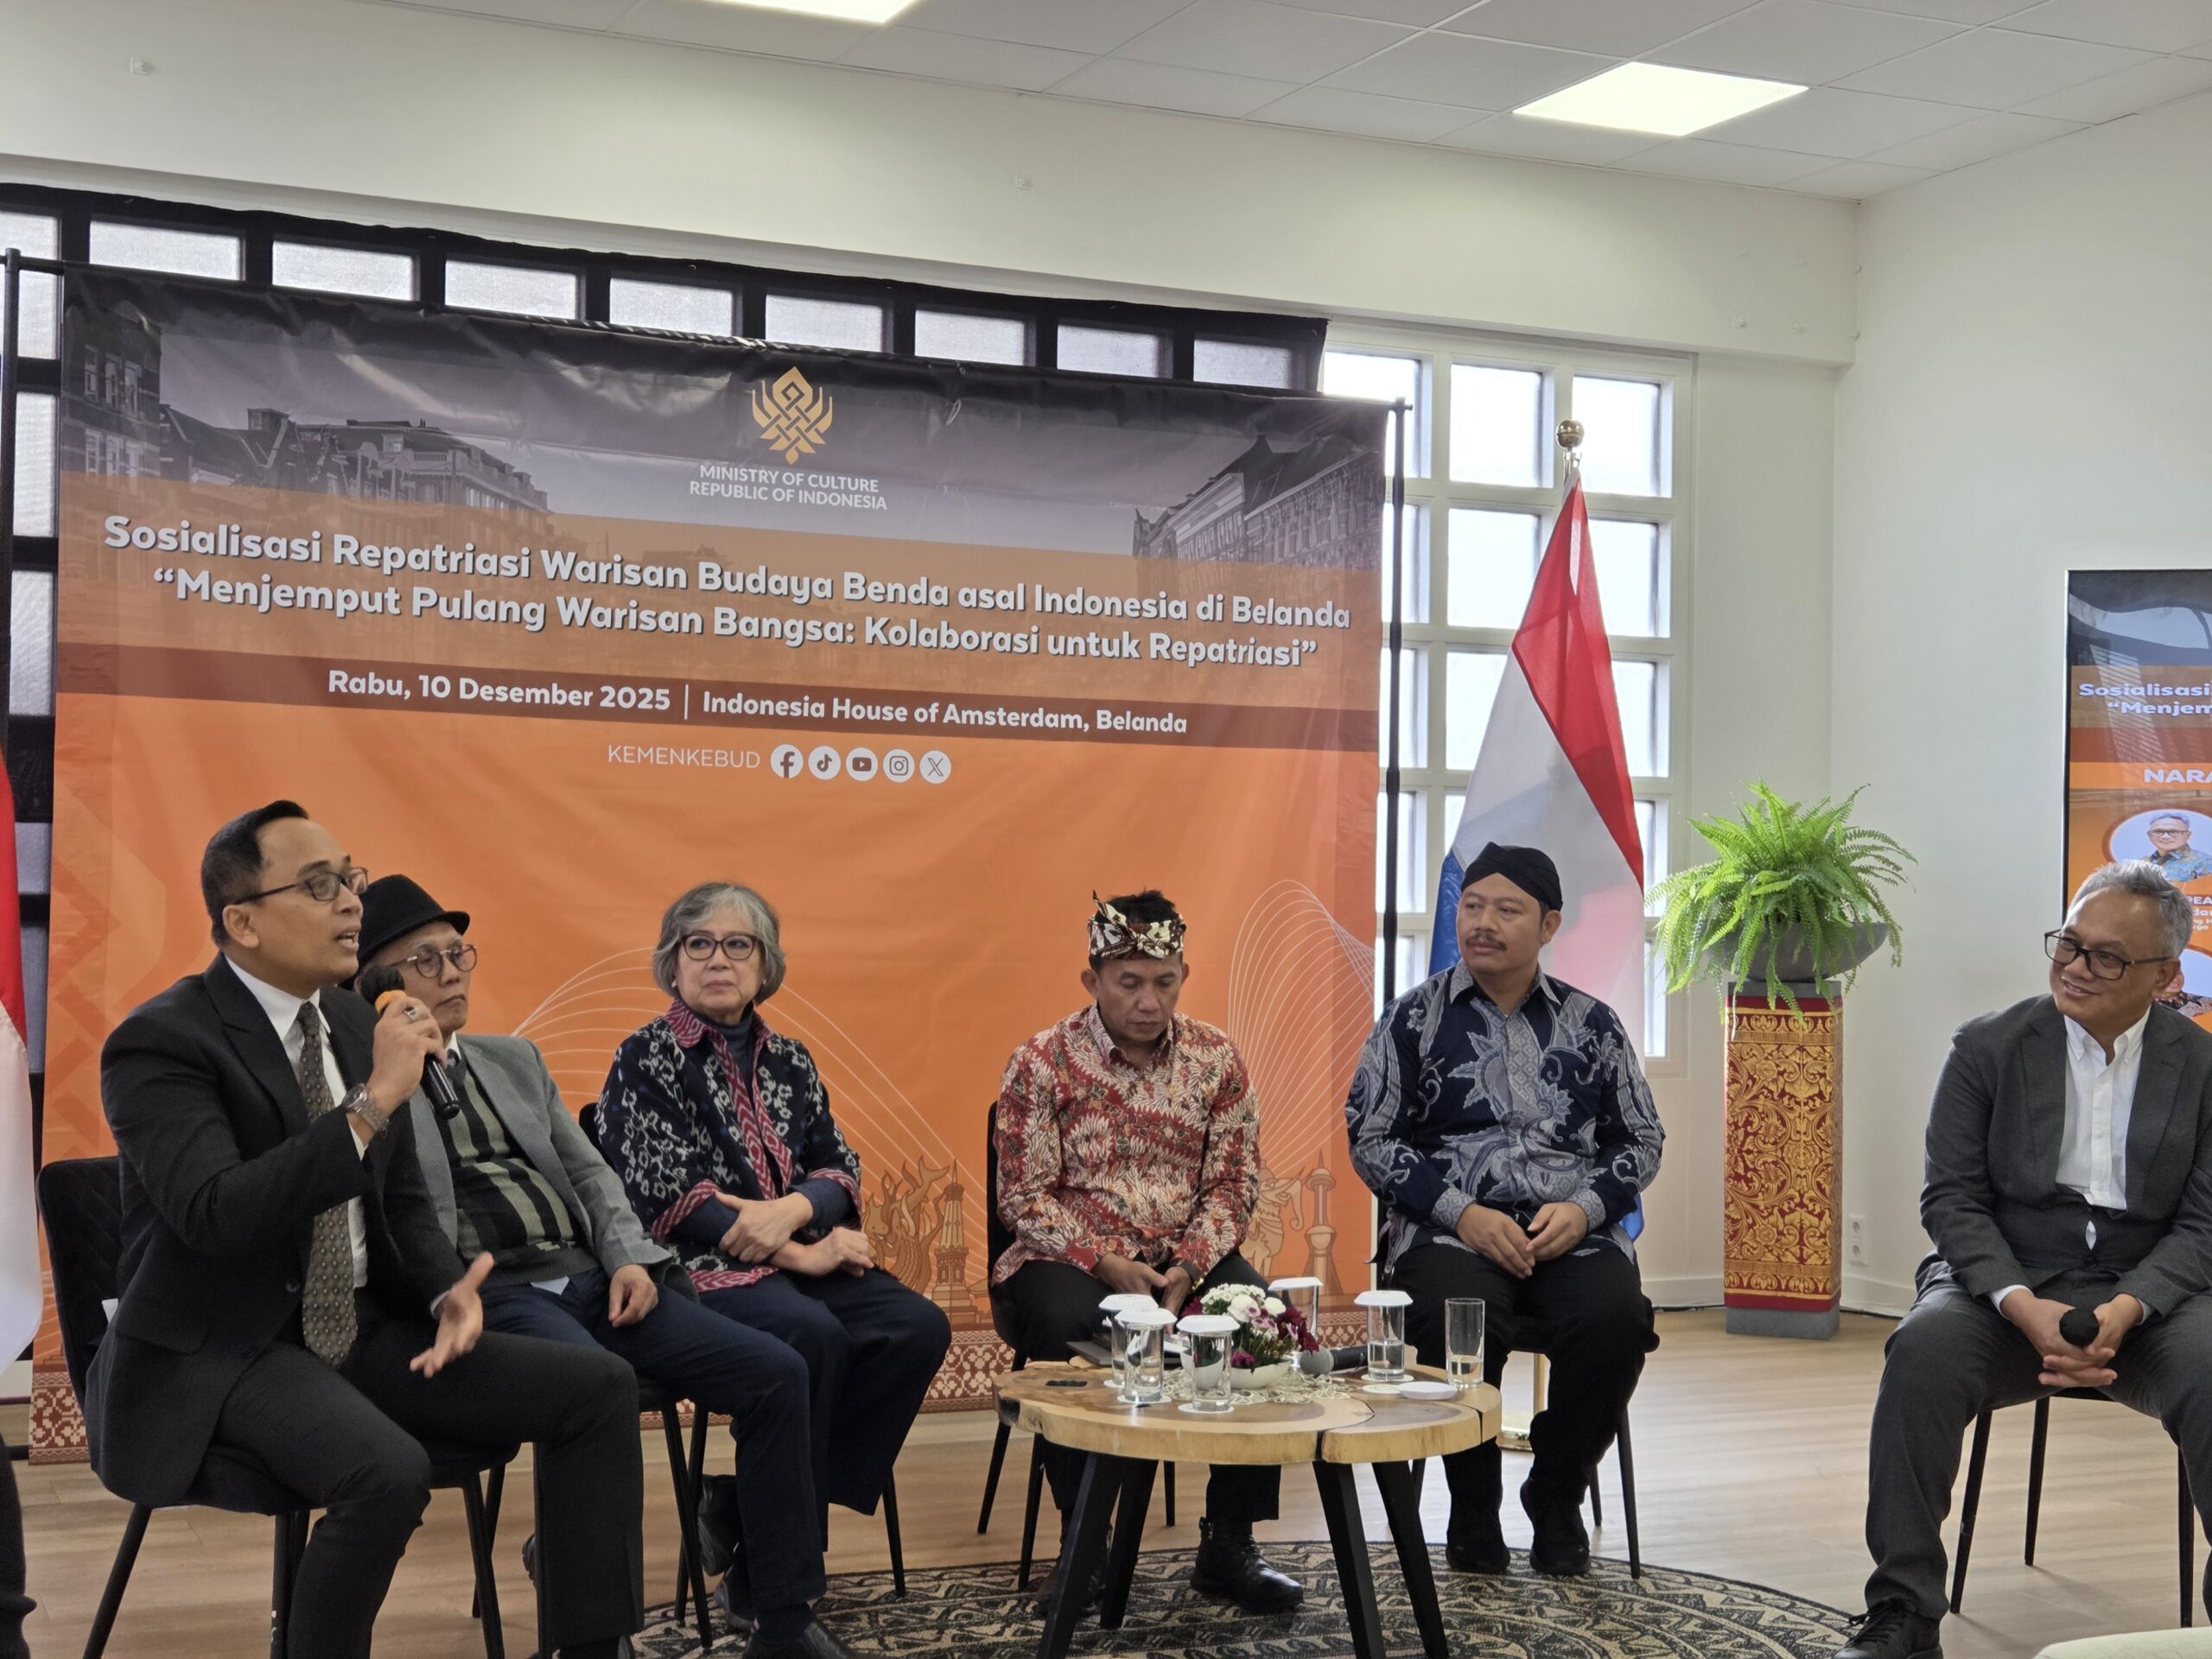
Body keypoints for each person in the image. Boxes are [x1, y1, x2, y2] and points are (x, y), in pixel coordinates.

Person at [89, 801, 643, 1659]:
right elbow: (217, 1214)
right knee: (385, 1473)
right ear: (242, 922)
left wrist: (440, 1287)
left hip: (356, 1325)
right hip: (224, 1348)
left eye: (349, 877)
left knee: (598, 1387)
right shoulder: (162, 1042)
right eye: (320, 887)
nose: (353, 901)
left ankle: (586, 1650)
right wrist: (375, 1100)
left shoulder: (351, 1022)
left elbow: (401, 1201)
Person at [355, 875, 853, 1659]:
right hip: (499, 1295)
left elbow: (593, 1176)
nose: (453, 973)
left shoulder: (512, 1059)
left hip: (595, 1276)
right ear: (375, 987)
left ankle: (782, 1621)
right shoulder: (359, 1090)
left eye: (458, 954)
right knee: (595, 1388)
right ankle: (593, 1635)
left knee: (778, 1369)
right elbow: (389, 1215)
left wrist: (627, 1258)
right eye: (426, 961)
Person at [1836, 861, 2212, 1659]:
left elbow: (2206, 1225)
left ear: (2166, 974)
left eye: (2107, 957)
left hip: (2151, 1300)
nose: (2077, 968)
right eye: (2069, 945)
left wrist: (2128, 1308)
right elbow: (1952, 1201)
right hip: (2004, 1288)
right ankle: (1903, 1611)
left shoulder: (2203, 1067)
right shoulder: (1987, 1048)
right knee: (1922, 1351)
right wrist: (2020, 1302)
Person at [595, 882, 950, 1552]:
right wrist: (797, 1253)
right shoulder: (644, 1057)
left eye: (738, 944)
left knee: (915, 1327)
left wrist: (793, 1210)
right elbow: (666, 1196)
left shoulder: (791, 1059)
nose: (718, 959)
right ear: (673, 964)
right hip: (696, 1270)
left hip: (798, 1251)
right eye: (698, 944)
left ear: (766, 966)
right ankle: (779, 1566)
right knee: (808, 1334)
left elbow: (840, 1169)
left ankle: (751, 1508)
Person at [1346, 842, 1662, 1580]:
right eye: (1472, 906)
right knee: (1456, 1317)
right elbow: (1370, 1136)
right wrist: (1461, 1212)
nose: (1482, 923)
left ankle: (1555, 1491)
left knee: (1617, 1322)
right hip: (1450, 1233)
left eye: (1506, 910)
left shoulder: (1595, 1025)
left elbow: (1642, 1138)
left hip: (1570, 1236)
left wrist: (1584, 1211)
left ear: (1548, 925)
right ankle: (1473, 1504)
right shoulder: (1412, 1022)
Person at [994, 890, 1303, 1618]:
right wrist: (1104, 1263)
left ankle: (1229, 1543)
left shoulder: (1215, 1058)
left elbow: (1233, 1182)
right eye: (1128, 982)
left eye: (1164, 981)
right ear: (1092, 981)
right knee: (1074, 1335)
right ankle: (1087, 1545)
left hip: (1184, 1258)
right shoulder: (1040, 1063)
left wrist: (1189, 1268)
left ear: (1183, 975)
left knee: (1262, 1326)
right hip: (1070, 1259)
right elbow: (1025, 1198)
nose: (1147, 1000)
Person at [2145, 814, 2212, 883]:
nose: (2165, 836)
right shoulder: (2141, 863)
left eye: (2174, 832)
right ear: (2149, 835)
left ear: (2187, 835)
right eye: (2158, 831)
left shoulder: (2204, 863)